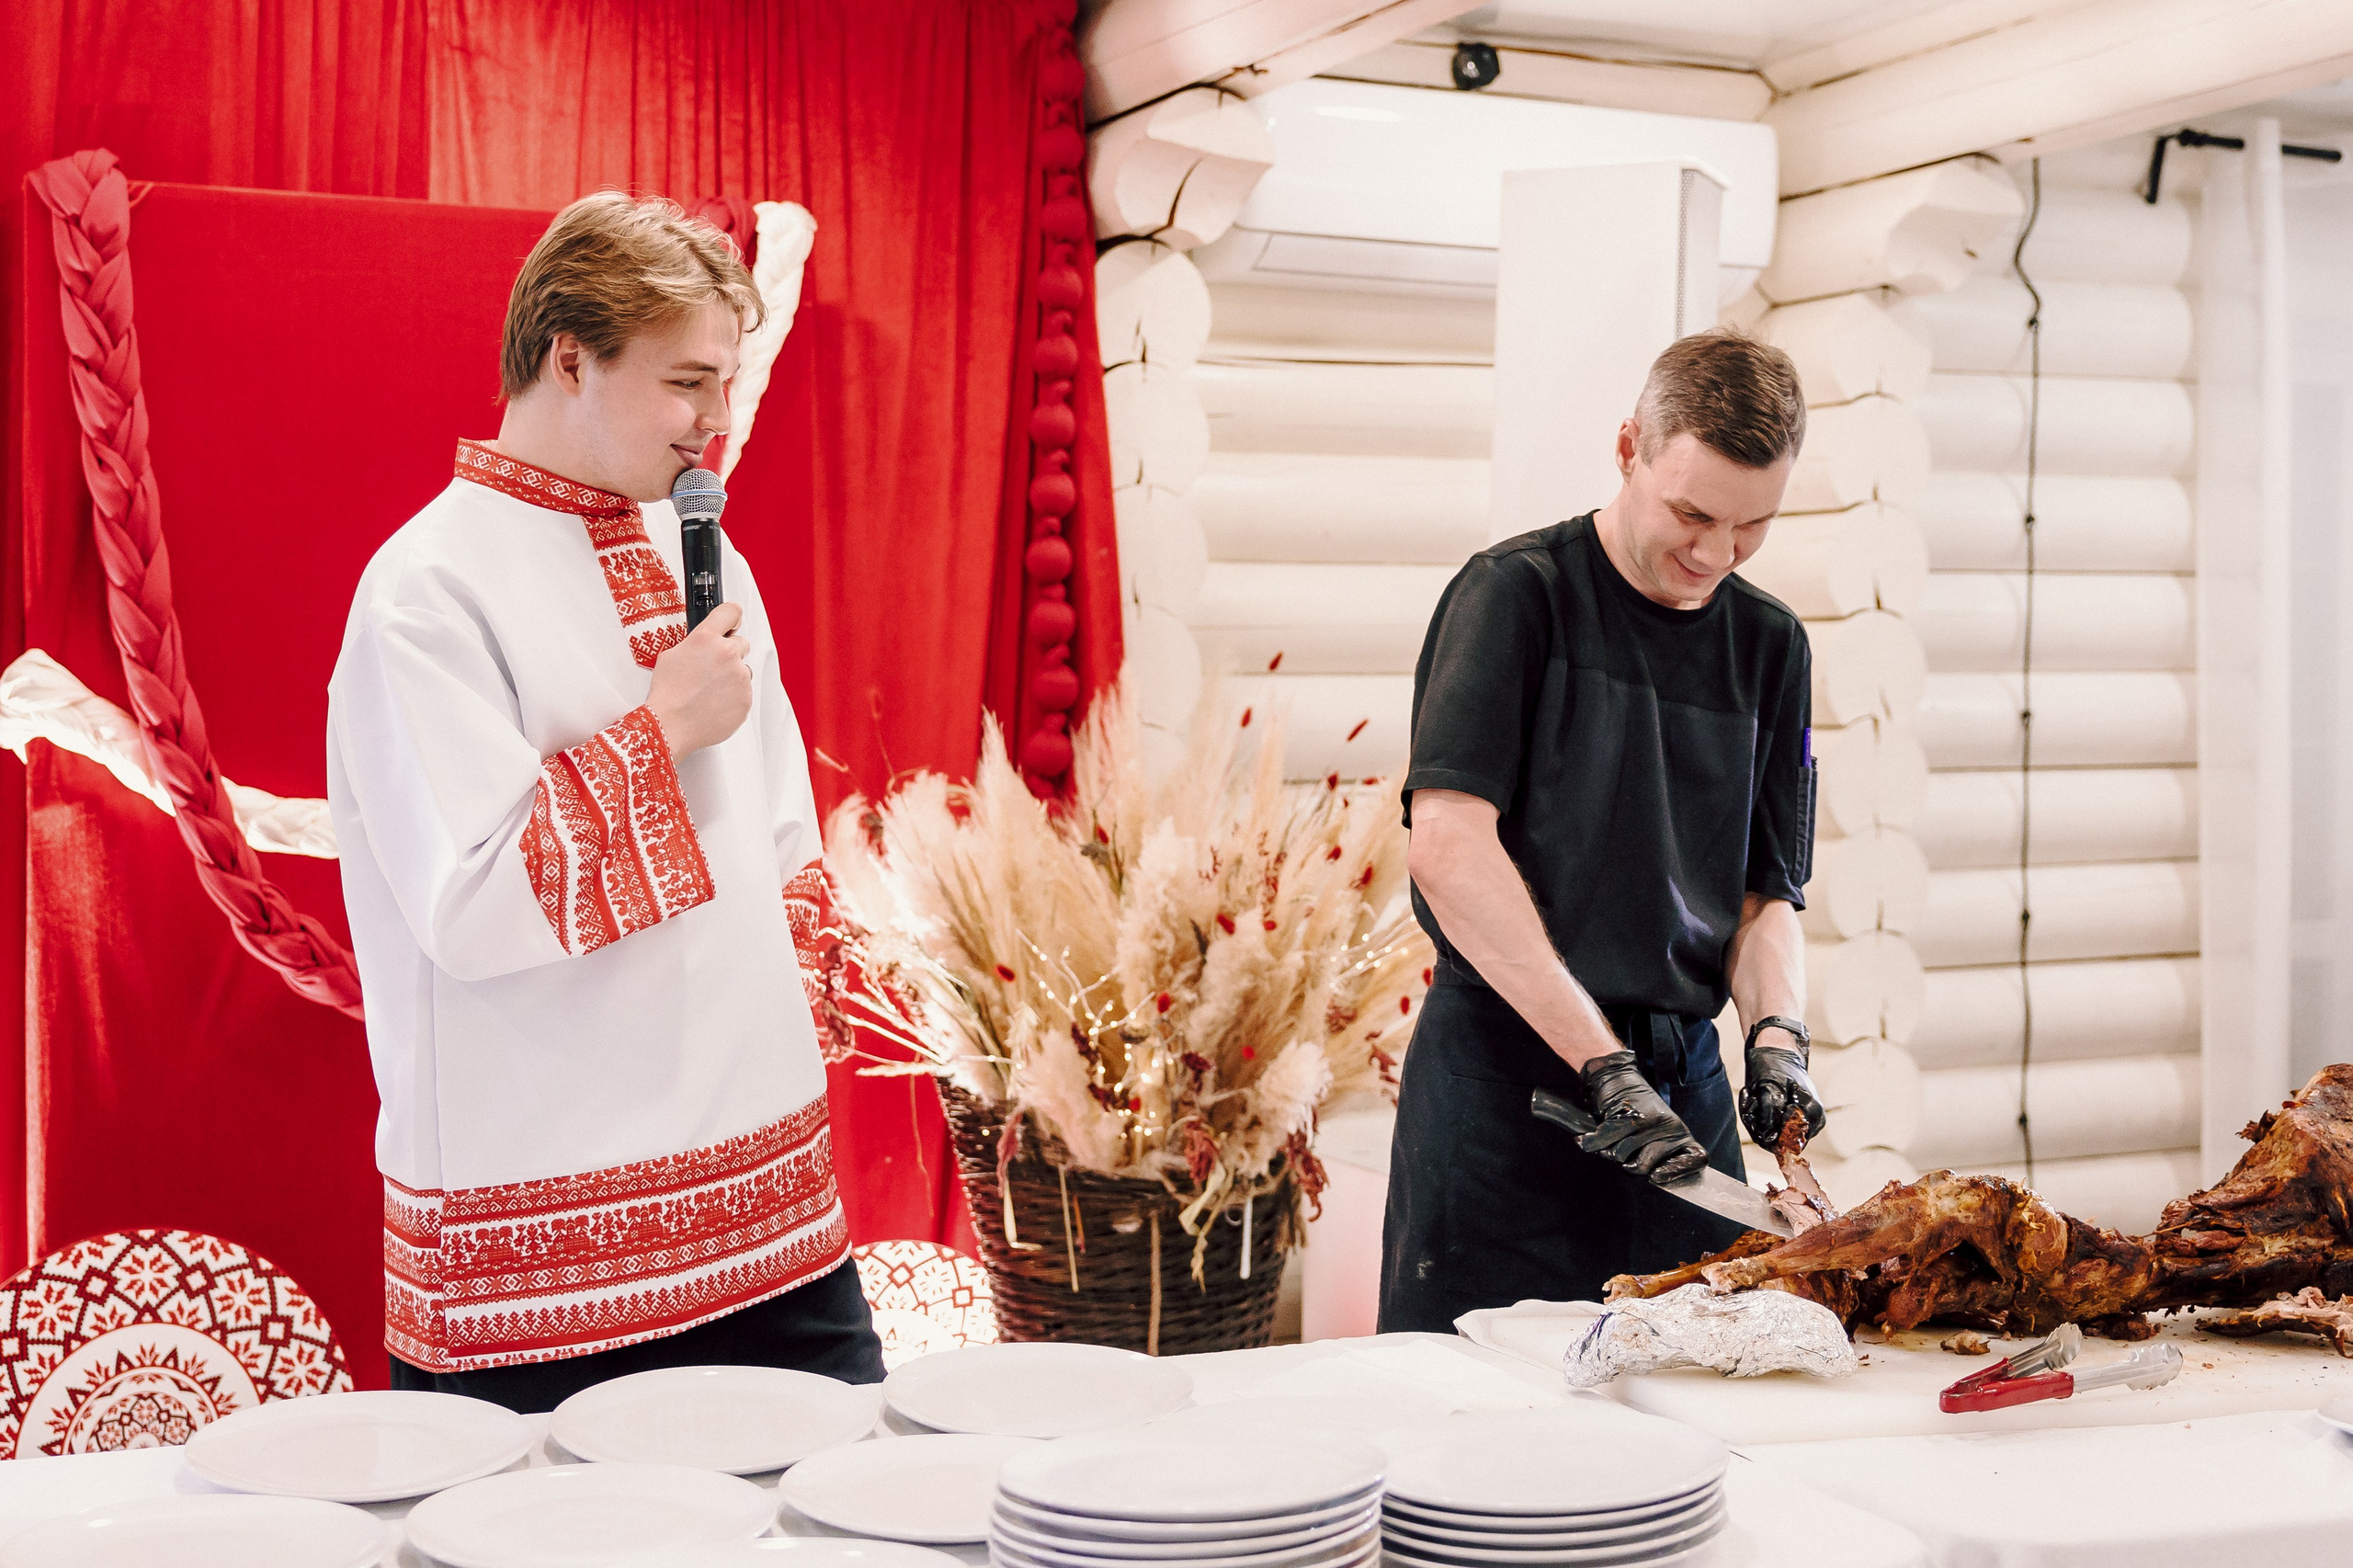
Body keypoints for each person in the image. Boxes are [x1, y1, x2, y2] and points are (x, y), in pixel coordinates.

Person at [326, 192, 883, 1411]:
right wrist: (662, 728)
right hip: (548, 1264)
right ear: (569, 356)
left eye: (727, 385)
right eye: (690, 382)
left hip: (773, 1224)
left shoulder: (709, 554)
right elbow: (470, 906)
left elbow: (780, 826)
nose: (715, 424)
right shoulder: (425, 589)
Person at [1379, 329, 1826, 1333]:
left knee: (1694, 1401)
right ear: (1628, 447)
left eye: (1753, 524)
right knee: (1476, 1424)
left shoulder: (1769, 643)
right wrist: (1599, 1065)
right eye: (1691, 513)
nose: (1714, 553)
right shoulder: (1513, 597)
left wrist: (1776, 1041)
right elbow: (1448, 846)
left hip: (1681, 1100)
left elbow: (1766, 892)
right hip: (1510, 1084)